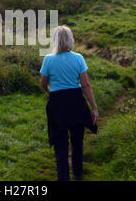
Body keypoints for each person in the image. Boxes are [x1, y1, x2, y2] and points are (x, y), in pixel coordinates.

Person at [40, 26, 98, 181]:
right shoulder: (78, 58)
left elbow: (43, 82)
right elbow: (85, 85)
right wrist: (94, 108)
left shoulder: (48, 59)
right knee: (77, 142)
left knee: (60, 146)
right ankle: (78, 175)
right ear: (70, 40)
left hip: (57, 103)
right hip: (76, 102)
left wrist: (50, 91)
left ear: (55, 40)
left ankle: (63, 177)